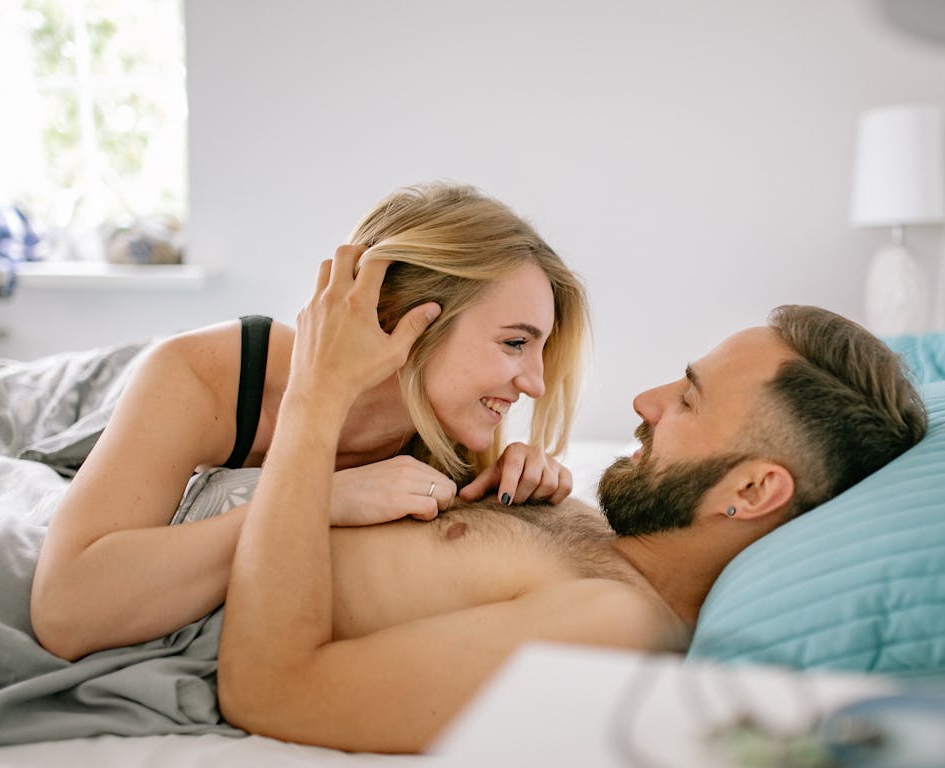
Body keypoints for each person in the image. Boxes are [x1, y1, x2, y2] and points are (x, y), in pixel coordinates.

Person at [216, 247, 928, 754]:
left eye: (688, 400)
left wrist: (316, 396)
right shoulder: (605, 536)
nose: (644, 402)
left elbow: (272, 690)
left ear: (751, 489)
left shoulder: (614, 624)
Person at [31, 184, 591, 662]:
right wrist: (315, 499)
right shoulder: (199, 375)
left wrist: (508, 487)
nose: (535, 384)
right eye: (515, 343)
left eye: (539, 349)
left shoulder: (442, 423)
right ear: (400, 317)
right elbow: (67, 610)